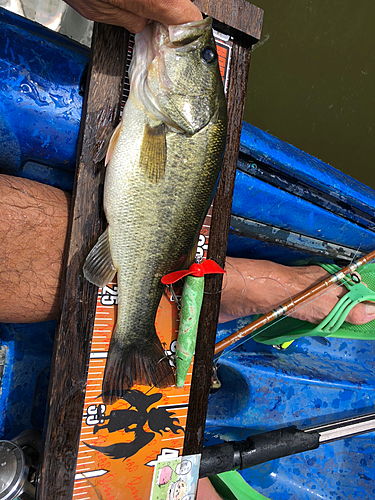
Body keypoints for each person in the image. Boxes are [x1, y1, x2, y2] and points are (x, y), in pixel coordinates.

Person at [1, 1, 374, 499]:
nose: (197, 53)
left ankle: (206, 295)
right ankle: (225, 286)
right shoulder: (172, 110)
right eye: (204, 63)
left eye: (202, 62)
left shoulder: (173, 109)